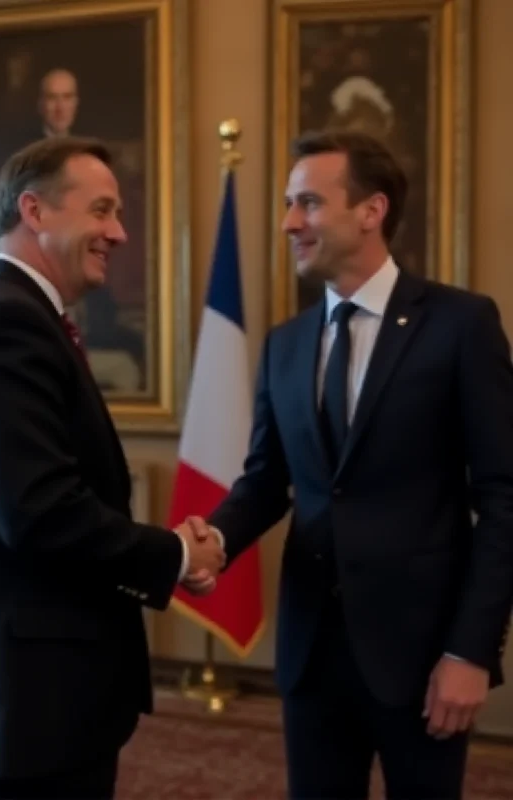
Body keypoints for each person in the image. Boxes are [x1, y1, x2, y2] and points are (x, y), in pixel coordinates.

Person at [186, 129, 513, 799]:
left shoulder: (460, 324)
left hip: (422, 656)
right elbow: (265, 482)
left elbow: (505, 499)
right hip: (311, 655)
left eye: (307, 202)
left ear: (372, 210)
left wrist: (471, 651)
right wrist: (214, 541)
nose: (288, 223)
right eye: (286, 204)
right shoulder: (285, 343)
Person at [0, 136, 224, 800]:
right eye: (102, 211)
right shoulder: (7, 325)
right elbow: (39, 512)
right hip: (34, 692)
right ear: (34, 210)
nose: (117, 232)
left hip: (40, 684)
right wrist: (173, 553)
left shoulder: (9, 314)